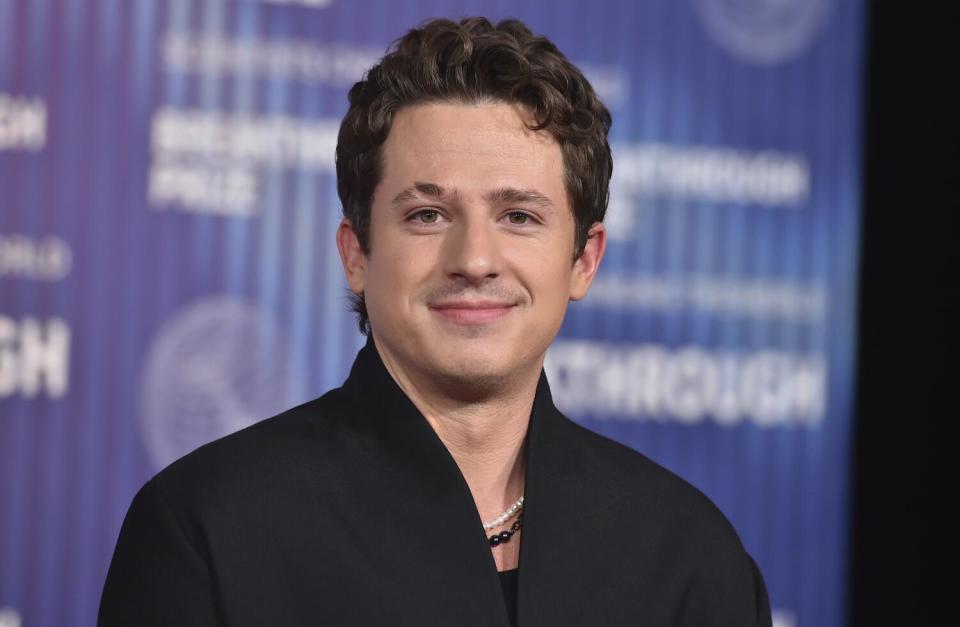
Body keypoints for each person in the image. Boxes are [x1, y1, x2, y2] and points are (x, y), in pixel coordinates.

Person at [99, 17, 772, 627]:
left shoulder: (688, 554)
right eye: (427, 214)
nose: (475, 258)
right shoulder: (208, 528)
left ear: (584, 259)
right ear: (356, 254)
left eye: (519, 216)